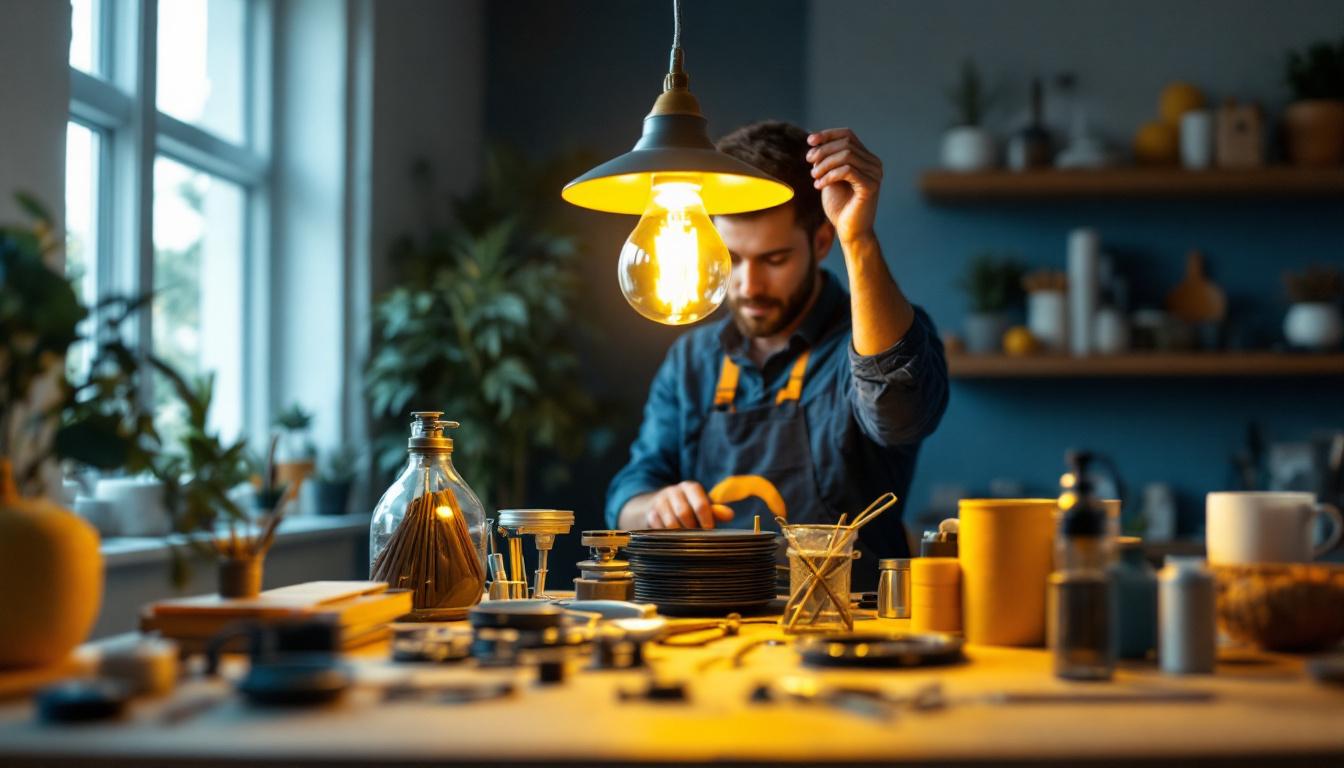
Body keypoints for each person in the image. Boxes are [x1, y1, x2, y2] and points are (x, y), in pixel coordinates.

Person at [604, 121, 949, 580]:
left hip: (848, 618)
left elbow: (900, 415)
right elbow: (627, 495)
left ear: (821, 241)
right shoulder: (692, 360)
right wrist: (655, 506)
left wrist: (858, 238)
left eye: (774, 259)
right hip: (713, 611)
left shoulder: (875, 338)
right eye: (732, 258)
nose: (749, 285)